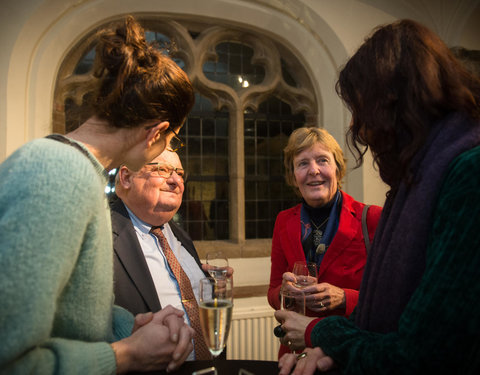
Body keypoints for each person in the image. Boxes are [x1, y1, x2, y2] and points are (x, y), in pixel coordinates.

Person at [276, 19, 480, 375]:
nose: (360, 129)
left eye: (362, 111)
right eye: (302, 163)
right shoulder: (418, 178)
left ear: (392, 103)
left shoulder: (468, 174)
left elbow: (423, 356)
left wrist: (323, 328)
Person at [0, 15, 197, 374]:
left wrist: (132, 327)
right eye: (173, 140)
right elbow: (10, 359)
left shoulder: (85, 176)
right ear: (156, 133)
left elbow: (75, 315)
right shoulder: (57, 172)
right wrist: (128, 355)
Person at [268, 126, 382, 358]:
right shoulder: (283, 221)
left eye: (322, 160)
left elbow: (390, 298)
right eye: (302, 163)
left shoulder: (372, 219)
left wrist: (344, 298)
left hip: (346, 351)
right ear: (293, 174)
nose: (313, 170)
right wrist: (285, 292)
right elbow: (272, 293)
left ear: (338, 168)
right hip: (295, 352)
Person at [111, 149, 233, 360]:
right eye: (163, 169)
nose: (176, 180)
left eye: (180, 173)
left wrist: (211, 287)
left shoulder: (178, 235)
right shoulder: (101, 237)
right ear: (126, 177)